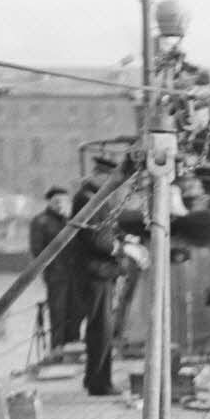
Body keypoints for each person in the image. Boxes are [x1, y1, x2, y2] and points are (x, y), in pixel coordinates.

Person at [71, 155, 126, 396]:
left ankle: (94, 378)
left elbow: (104, 231)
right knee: (101, 328)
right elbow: (95, 237)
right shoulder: (88, 199)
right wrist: (121, 248)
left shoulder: (94, 197)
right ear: (103, 175)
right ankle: (99, 383)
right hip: (95, 273)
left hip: (98, 272)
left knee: (101, 327)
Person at [27, 185, 74, 350]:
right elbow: (37, 250)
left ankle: (71, 345)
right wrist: (48, 269)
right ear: (50, 202)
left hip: (74, 274)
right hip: (56, 275)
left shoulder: (70, 220)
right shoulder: (41, 221)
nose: (60, 205)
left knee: (74, 312)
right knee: (58, 312)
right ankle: (57, 347)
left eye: (63, 201)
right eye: (56, 201)